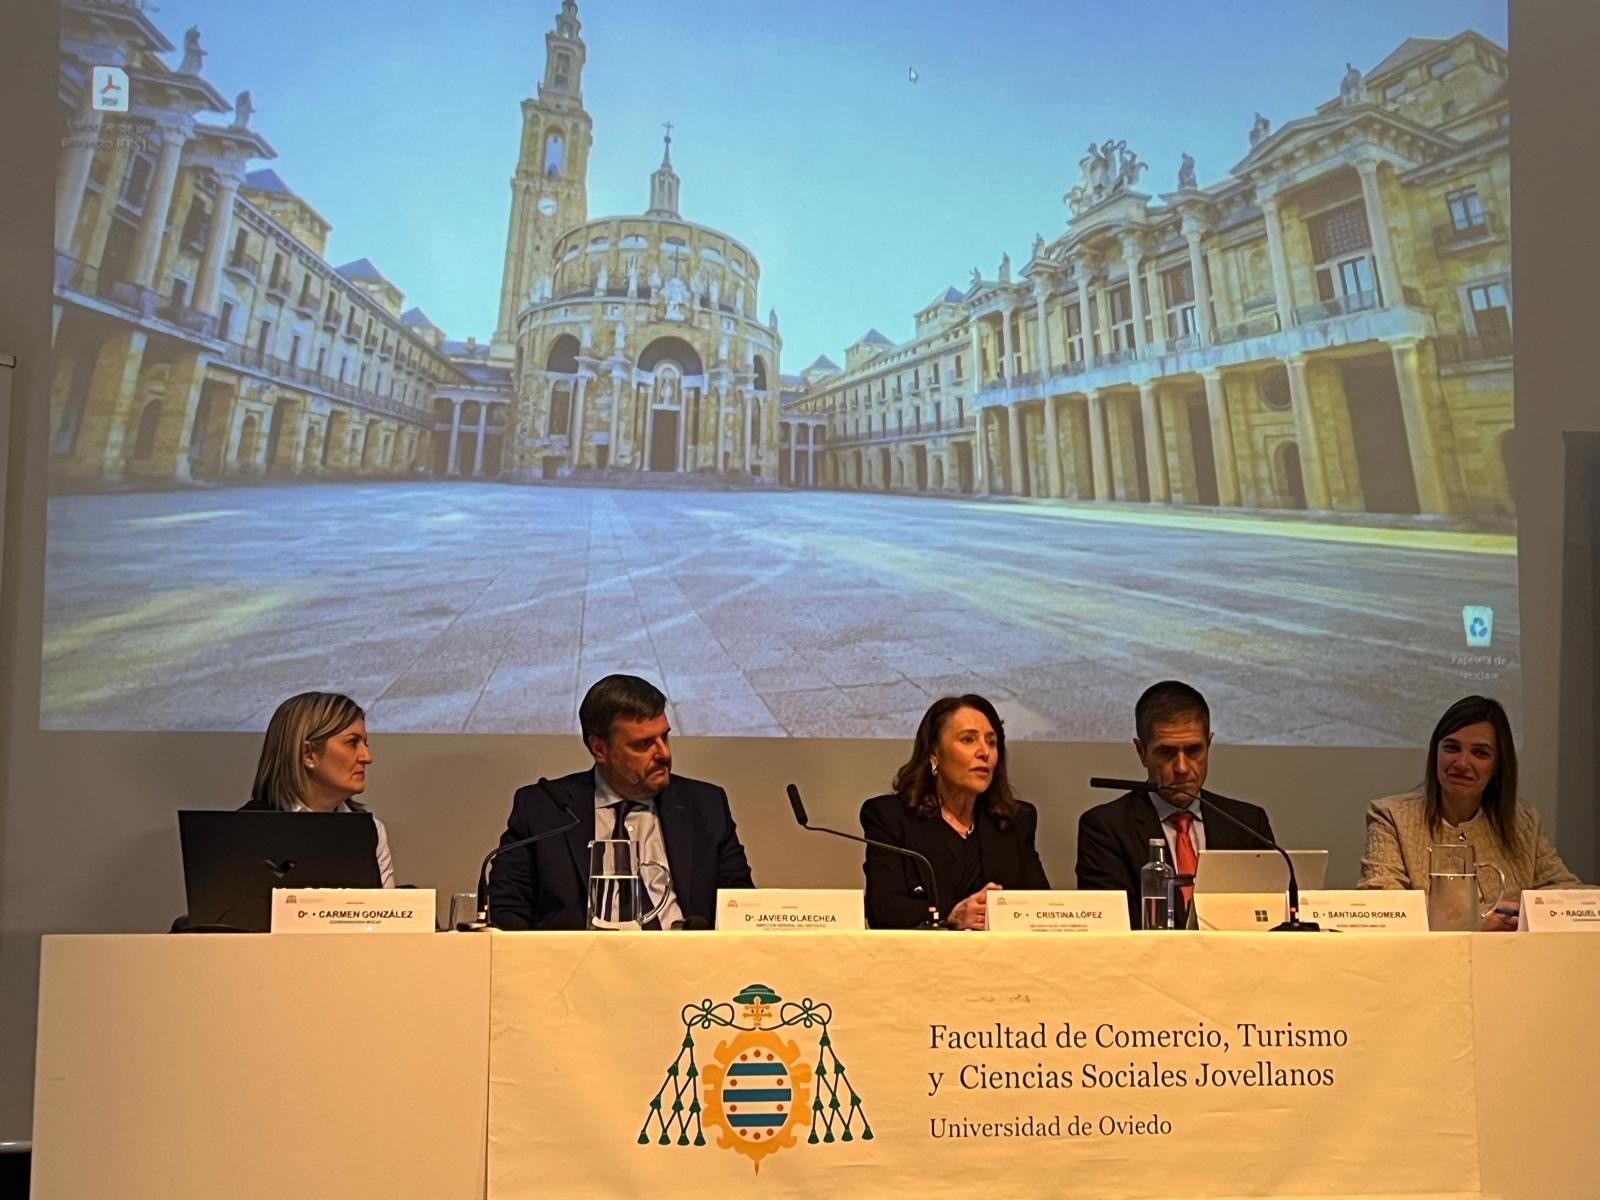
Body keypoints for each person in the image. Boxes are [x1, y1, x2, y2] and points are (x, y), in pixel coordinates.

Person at [486, 674, 754, 929]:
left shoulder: (705, 805)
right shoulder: (543, 808)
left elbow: (740, 906)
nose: (663, 753)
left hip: (685, 965)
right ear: (600, 749)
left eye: (665, 736)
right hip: (576, 968)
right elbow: (508, 911)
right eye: (643, 744)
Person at [1358, 695, 1583, 929]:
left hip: (1511, 958)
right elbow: (1380, 903)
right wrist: (1476, 918)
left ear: (1497, 766)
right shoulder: (1390, 816)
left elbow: (1565, 893)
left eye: (1480, 753)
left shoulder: (1524, 821)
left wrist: (1530, 912)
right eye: (1452, 748)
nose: (1463, 763)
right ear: (1435, 752)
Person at [1076, 681, 1274, 928]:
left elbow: (1274, 915)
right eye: (1166, 753)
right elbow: (1113, 927)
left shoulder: (1247, 823)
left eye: (1194, 751)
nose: (1181, 768)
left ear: (1209, 745)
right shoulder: (1106, 828)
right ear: (1141, 752)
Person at [861, 694, 1049, 930]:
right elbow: (883, 909)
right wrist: (951, 914)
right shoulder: (891, 817)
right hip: (921, 961)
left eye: (991, 742)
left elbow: (1042, 909)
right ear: (934, 753)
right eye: (968, 740)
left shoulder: (1014, 821)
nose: (984, 752)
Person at [243, 691, 393, 886]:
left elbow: (386, 915)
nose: (367, 757)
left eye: (365, 744)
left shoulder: (372, 831)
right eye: (352, 743)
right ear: (309, 754)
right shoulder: (246, 831)